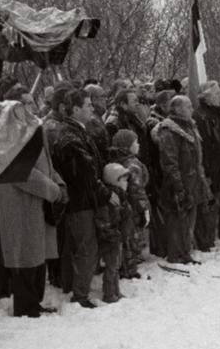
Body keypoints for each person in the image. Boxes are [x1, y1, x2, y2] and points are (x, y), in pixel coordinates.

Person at [0, 118, 64, 317]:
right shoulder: (13, 143)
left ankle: (33, 303)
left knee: (34, 257)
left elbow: (46, 167)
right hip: (20, 209)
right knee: (25, 258)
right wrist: (54, 190)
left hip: (31, 208)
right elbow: (25, 174)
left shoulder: (29, 136)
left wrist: (58, 182)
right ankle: (26, 307)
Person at [51, 89, 115, 308]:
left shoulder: (76, 132)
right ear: (76, 109)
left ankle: (74, 287)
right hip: (80, 201)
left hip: (81, 199)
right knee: (86, 248)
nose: (92, 108)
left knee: (81, 246)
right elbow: (86, 174)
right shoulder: (71, 137)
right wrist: (105, 194)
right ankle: (80, 294)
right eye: (88, 105)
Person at [156, 95, 211, 265]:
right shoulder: (169, 131)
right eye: (188, 106)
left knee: (189, 220)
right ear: (177, 109)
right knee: (177, 220)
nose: (192, 109)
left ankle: (186, 251)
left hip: (193, 181)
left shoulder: (189, 127)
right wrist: (178, 187)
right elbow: (170, 162)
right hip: (178, 183)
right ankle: (176, 254)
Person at [194, 81, 220, 245]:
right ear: (207, 96)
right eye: (217, 93)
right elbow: (204, 146)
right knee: (209, 204)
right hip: (211, 166)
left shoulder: (219, 114)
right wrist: (208, 169)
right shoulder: (201, 116)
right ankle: (206, 240)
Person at [108, 129, 149, 278]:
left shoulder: (114, 160)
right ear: (127, 145)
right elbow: (137, 190)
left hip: (119, 206)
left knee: (123, 237)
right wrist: (144, 209)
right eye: (135, 142)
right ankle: (129, 269)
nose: (138, 145)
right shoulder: (133, 164)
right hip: (132, 207)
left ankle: (124, 266)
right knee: (132, 237)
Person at [98, 164, 130, 303]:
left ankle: (116, 290)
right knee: (111, 266)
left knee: (115, 265)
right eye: (123, 179)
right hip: (111, 237)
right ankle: (109, 293)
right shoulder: (111, 198)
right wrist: (110, 233)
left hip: (117, 235)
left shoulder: (120, 195)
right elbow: (104, 219)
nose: (126, 182)